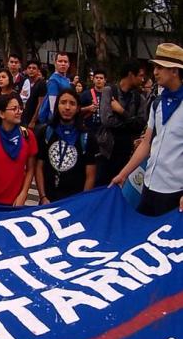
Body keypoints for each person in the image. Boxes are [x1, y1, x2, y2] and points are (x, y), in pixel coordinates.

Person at [111, 43, 183, 216]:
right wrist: (123, 174)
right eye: (155, 67)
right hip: (149, 185)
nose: (155, 72)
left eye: (160, 67)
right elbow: (146, 144)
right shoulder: (156, 103)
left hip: (174, 191)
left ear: (174, 70)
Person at [35, 88, 97, 203]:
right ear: (57, 106)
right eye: (63, 102)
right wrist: (43, 196)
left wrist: (81, 202)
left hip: (74, 202)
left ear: (78, 108)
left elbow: (90, 174)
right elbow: (39, 166)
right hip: (47, 201)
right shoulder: (46, 132)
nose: (67, 107)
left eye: (72, 103)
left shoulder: (87, 137)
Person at [96, 62, 146, 186]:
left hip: (127, 152)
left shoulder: (140, 98)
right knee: (102, 185)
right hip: (107, 150)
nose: (142, 79)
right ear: (131, 75)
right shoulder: (109, 91)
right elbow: (107, 120)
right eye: (140, 75)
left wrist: (121, 111)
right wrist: (130, 122)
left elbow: (140, 125)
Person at [36, 52, 72, 125]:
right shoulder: (53, 80)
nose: (63, 64)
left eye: (65, 62)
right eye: (60, 61)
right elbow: (53, 105)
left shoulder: (65, 79)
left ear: (69, 64)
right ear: (55, 63)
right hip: (55, 119)